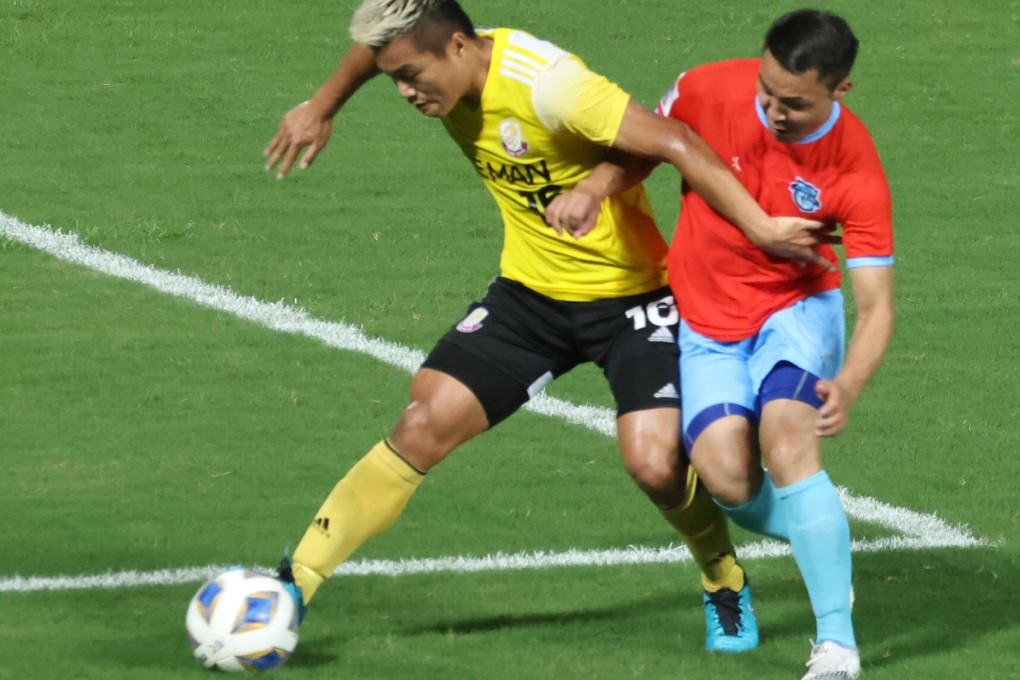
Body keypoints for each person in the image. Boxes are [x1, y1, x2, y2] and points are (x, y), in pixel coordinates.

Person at [262, 0, 830, 654]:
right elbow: (378, 49)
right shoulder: (429, 56)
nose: (405, 93)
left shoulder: (550, 85)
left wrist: (754, 225)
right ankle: (293, 583)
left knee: (654, 464)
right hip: (530, 296)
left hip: (634, 299)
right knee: (421, 423)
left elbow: (672, 141)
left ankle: (721, 575)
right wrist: (322, 105)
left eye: (412, 75)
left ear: (455, 47)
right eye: (395, 78)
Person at [550, 9, 894, 680]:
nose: (772, 109)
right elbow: (649, 145)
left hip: (794, 310)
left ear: (839, 91)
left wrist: (848, 383)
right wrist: (594, 187)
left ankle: (836, 645)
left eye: (793, 102)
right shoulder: (707, 88)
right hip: (706, 322)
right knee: (729, 481)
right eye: (766, 89)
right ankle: (825, 543)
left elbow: (878, 305)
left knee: (788, 440)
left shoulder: (855, 170)